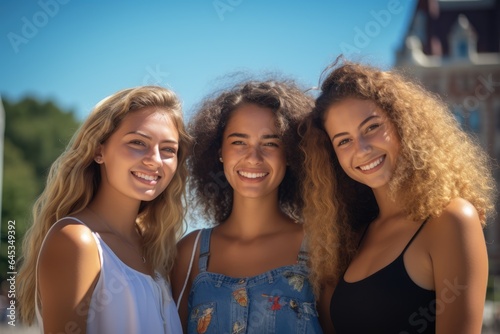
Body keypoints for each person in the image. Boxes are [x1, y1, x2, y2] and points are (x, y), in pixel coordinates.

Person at [300, 58, 496, 333]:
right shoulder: (349, 238)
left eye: (371, 127)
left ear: (402, 124)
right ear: (333, 157)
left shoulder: (451, 219)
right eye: (343, 141)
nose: (363, 148)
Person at [17, 86, 191, 333]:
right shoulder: (77, 241)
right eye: (138, 142)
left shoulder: (155, 249)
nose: (154, 159)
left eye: (168, 149)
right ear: (99, 150)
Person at [171, 78, 325, 333]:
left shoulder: (320, 246)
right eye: (239, 142)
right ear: (219, 150)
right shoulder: (189, 253)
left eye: (270, 143)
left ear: (290, 154)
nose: (253, 158)